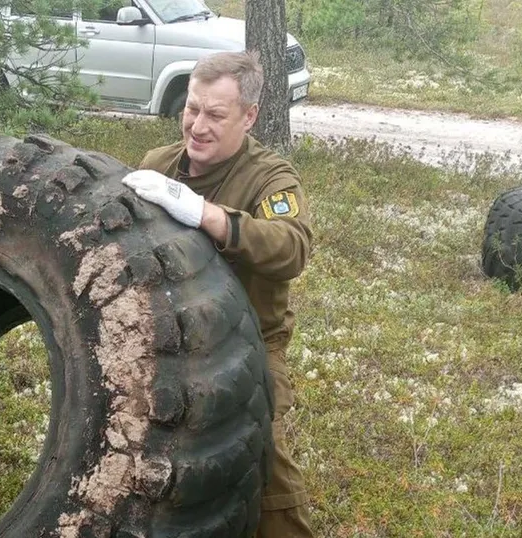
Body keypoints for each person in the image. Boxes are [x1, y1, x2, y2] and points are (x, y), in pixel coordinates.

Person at [121, 51, 314, 538]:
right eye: (191, 109)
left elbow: (291, 247)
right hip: (164, 338)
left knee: (260, 456)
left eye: (215, 115)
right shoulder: (159, 165)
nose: (197, 126)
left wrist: (210, 215)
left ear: (248, 117)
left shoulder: (270, 178)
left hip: (246, 345)